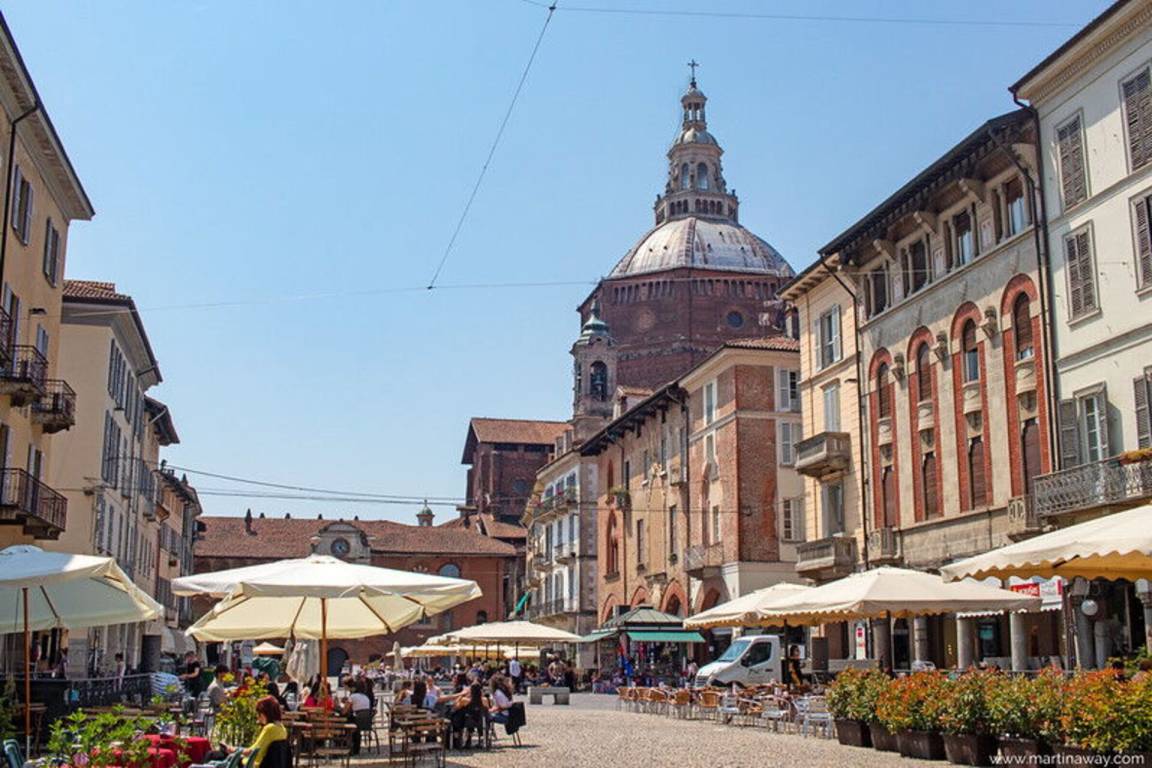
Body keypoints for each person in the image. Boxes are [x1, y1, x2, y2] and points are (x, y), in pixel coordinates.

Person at [217, 696, 288, 768]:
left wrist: (232, 749)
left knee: (215, 755)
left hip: (251, 765)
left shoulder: (269, 728)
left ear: (265, 713)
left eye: (259, 714)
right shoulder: (282, 729)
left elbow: (252, 751)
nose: (258, 718)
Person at [451, 682, 489, 749]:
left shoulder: (465, 700)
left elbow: (455, 707)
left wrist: (461, 696)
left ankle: (461, 740)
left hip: (468, 722)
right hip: (481, 722)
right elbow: (487, 710)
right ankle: (481, 740)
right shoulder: (485, 700)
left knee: (459, 715)